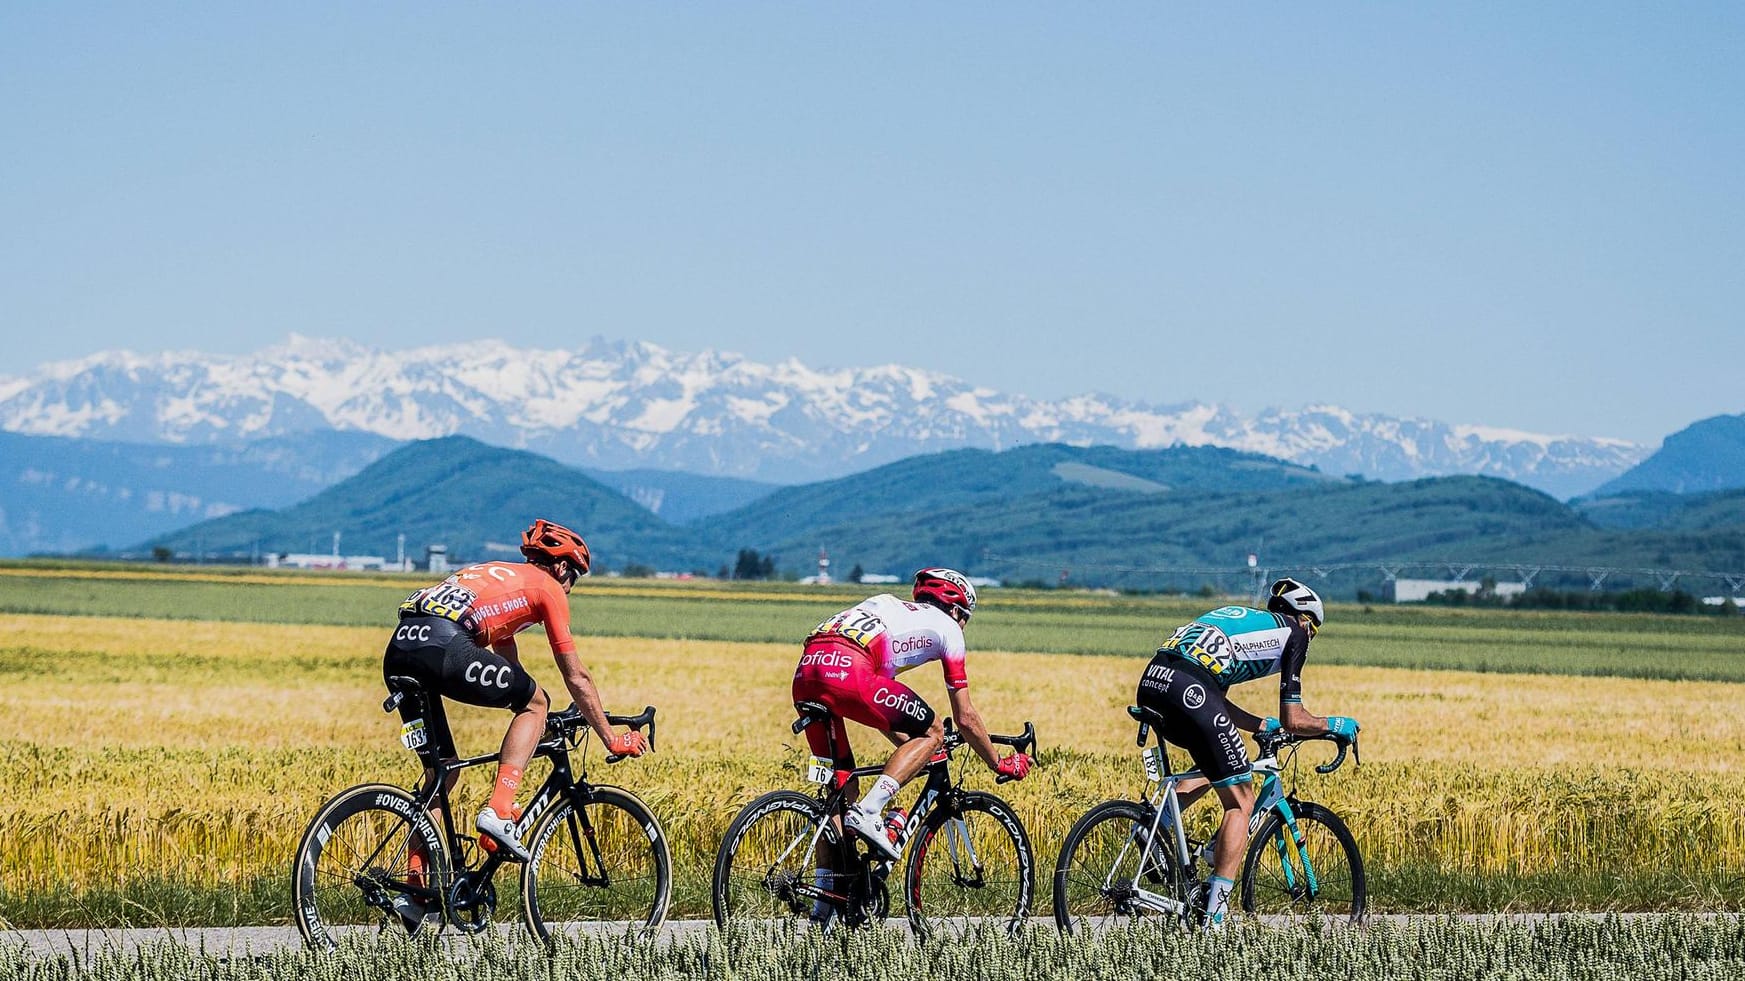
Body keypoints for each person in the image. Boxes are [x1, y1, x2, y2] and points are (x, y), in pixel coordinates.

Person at [384, 519, 648, 869]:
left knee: (443, 773)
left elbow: (511, 670)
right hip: (444, 645)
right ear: (561, 566)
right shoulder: (548, 587)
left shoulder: (496, 573)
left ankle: (415, 889)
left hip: (400, 648)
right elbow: (576, 676)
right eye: (575, 577)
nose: (570, 588)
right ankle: (498, 810)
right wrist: (611, 739)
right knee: (538, 702)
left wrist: (538, 724)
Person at [1134, 577, 1359, 929]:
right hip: (1190, 689)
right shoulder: (1294, 633)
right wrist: (1335, 724)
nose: (1311, 635)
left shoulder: (1243, 621)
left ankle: (1155, 825)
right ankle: (1215, 918)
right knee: (1241, 802)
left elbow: (1216, 700)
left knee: (1215, 765)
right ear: (1304, 619)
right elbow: (1294, 718)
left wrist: (1259, 725)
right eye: (1314, 627)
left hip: (1153, 681)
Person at [792, 567, 1032, 863]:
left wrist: (915, 752)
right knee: (933, 730)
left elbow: (882, 711)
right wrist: (1000, 764)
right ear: (957, 611)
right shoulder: (949, 628)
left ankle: (824, 901)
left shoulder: (888, 607)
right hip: (850, 671)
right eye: (966, 618)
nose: (964, 625)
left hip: (806, 673)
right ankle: (870, 811)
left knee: (841, 795)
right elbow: (966, 718)